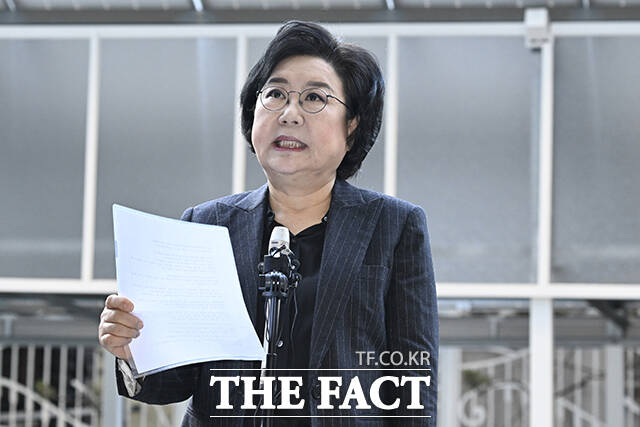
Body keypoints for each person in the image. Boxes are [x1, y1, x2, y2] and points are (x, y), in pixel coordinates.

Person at [99, 20, 438, 426]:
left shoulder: (394, 227)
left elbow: (413, 384)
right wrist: (133, 350)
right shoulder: (206, 225)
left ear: (351, 126)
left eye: (314, 98)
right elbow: (174, 382)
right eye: (275, 94)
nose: (290, 114)